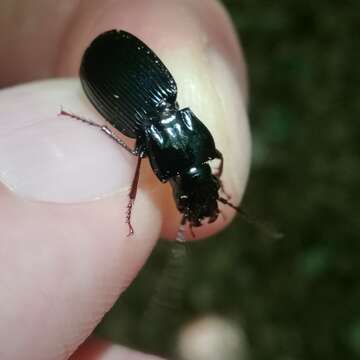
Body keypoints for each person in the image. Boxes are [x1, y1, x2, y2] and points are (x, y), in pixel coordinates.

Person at [0, 0, 250, 359]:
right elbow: (156, 159)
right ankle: (95, 126)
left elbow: (205, 158)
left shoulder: (174, 119)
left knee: (139, 151)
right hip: (109, 65)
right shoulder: (158, 136)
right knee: (136, 153)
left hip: (115, 62)